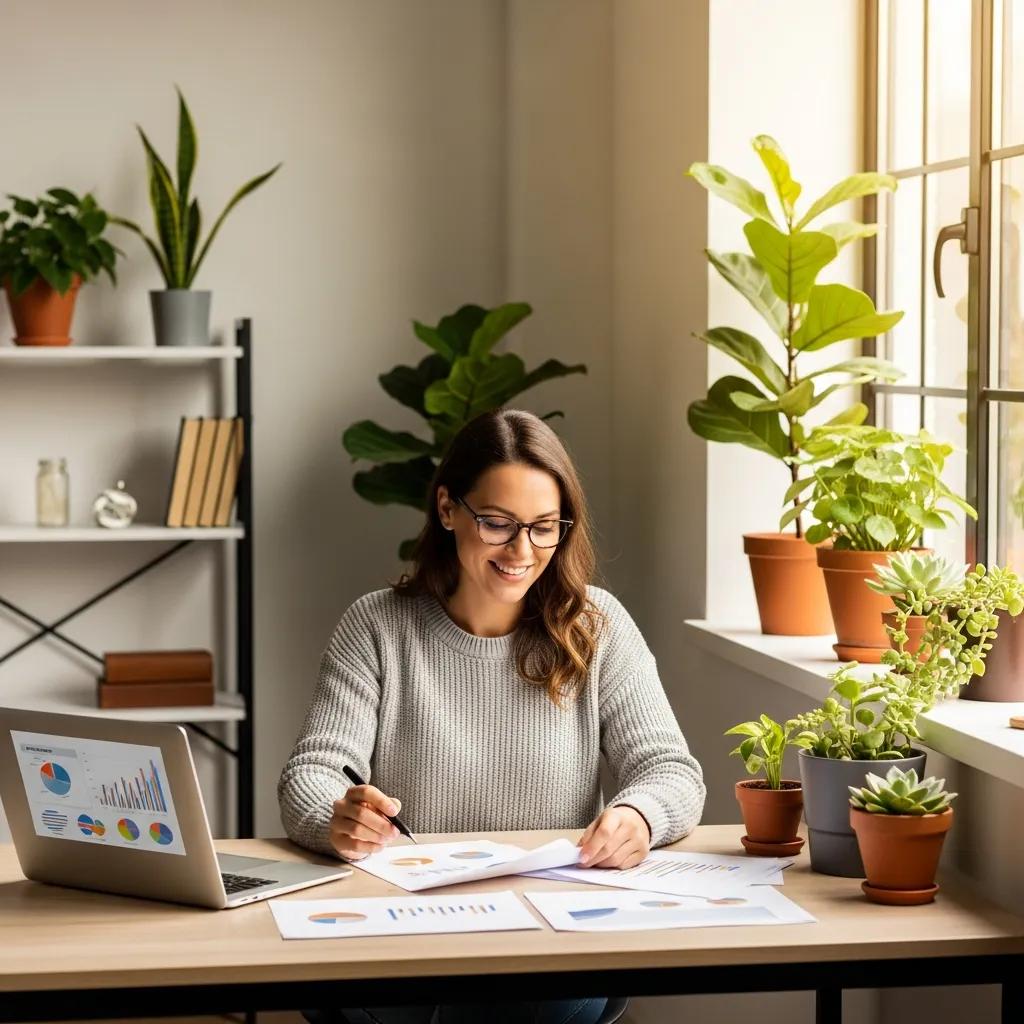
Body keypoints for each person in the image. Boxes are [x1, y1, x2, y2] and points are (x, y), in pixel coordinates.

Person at [279, 408, 706, 1024]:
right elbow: (311, 775)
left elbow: (671, 770)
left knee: (520, 1000)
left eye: (543, 527)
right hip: (405, 931)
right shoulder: (377, 627)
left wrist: (640, 813)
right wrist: (337, 816)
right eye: (499, 524)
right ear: (448, 509)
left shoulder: (597, 628)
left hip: (550, 937)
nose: (522, 551)